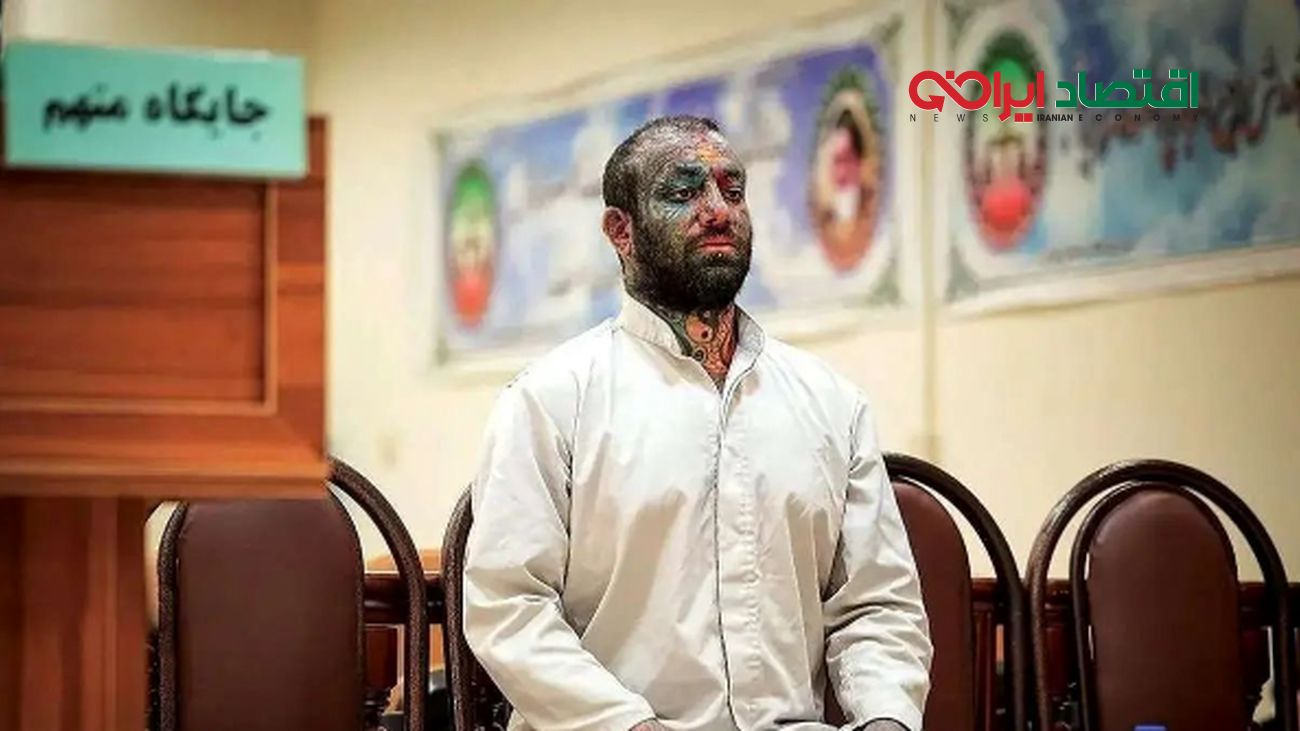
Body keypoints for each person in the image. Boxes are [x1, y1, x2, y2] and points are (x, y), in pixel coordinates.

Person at [463, 115, 932, 731]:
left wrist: (887, 718)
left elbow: (878, 607)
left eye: (733, 191)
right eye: (684, 192)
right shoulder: (549, 401)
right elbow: (508, 606)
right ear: (621, 231)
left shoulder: (832, 404)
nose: (718, 211)